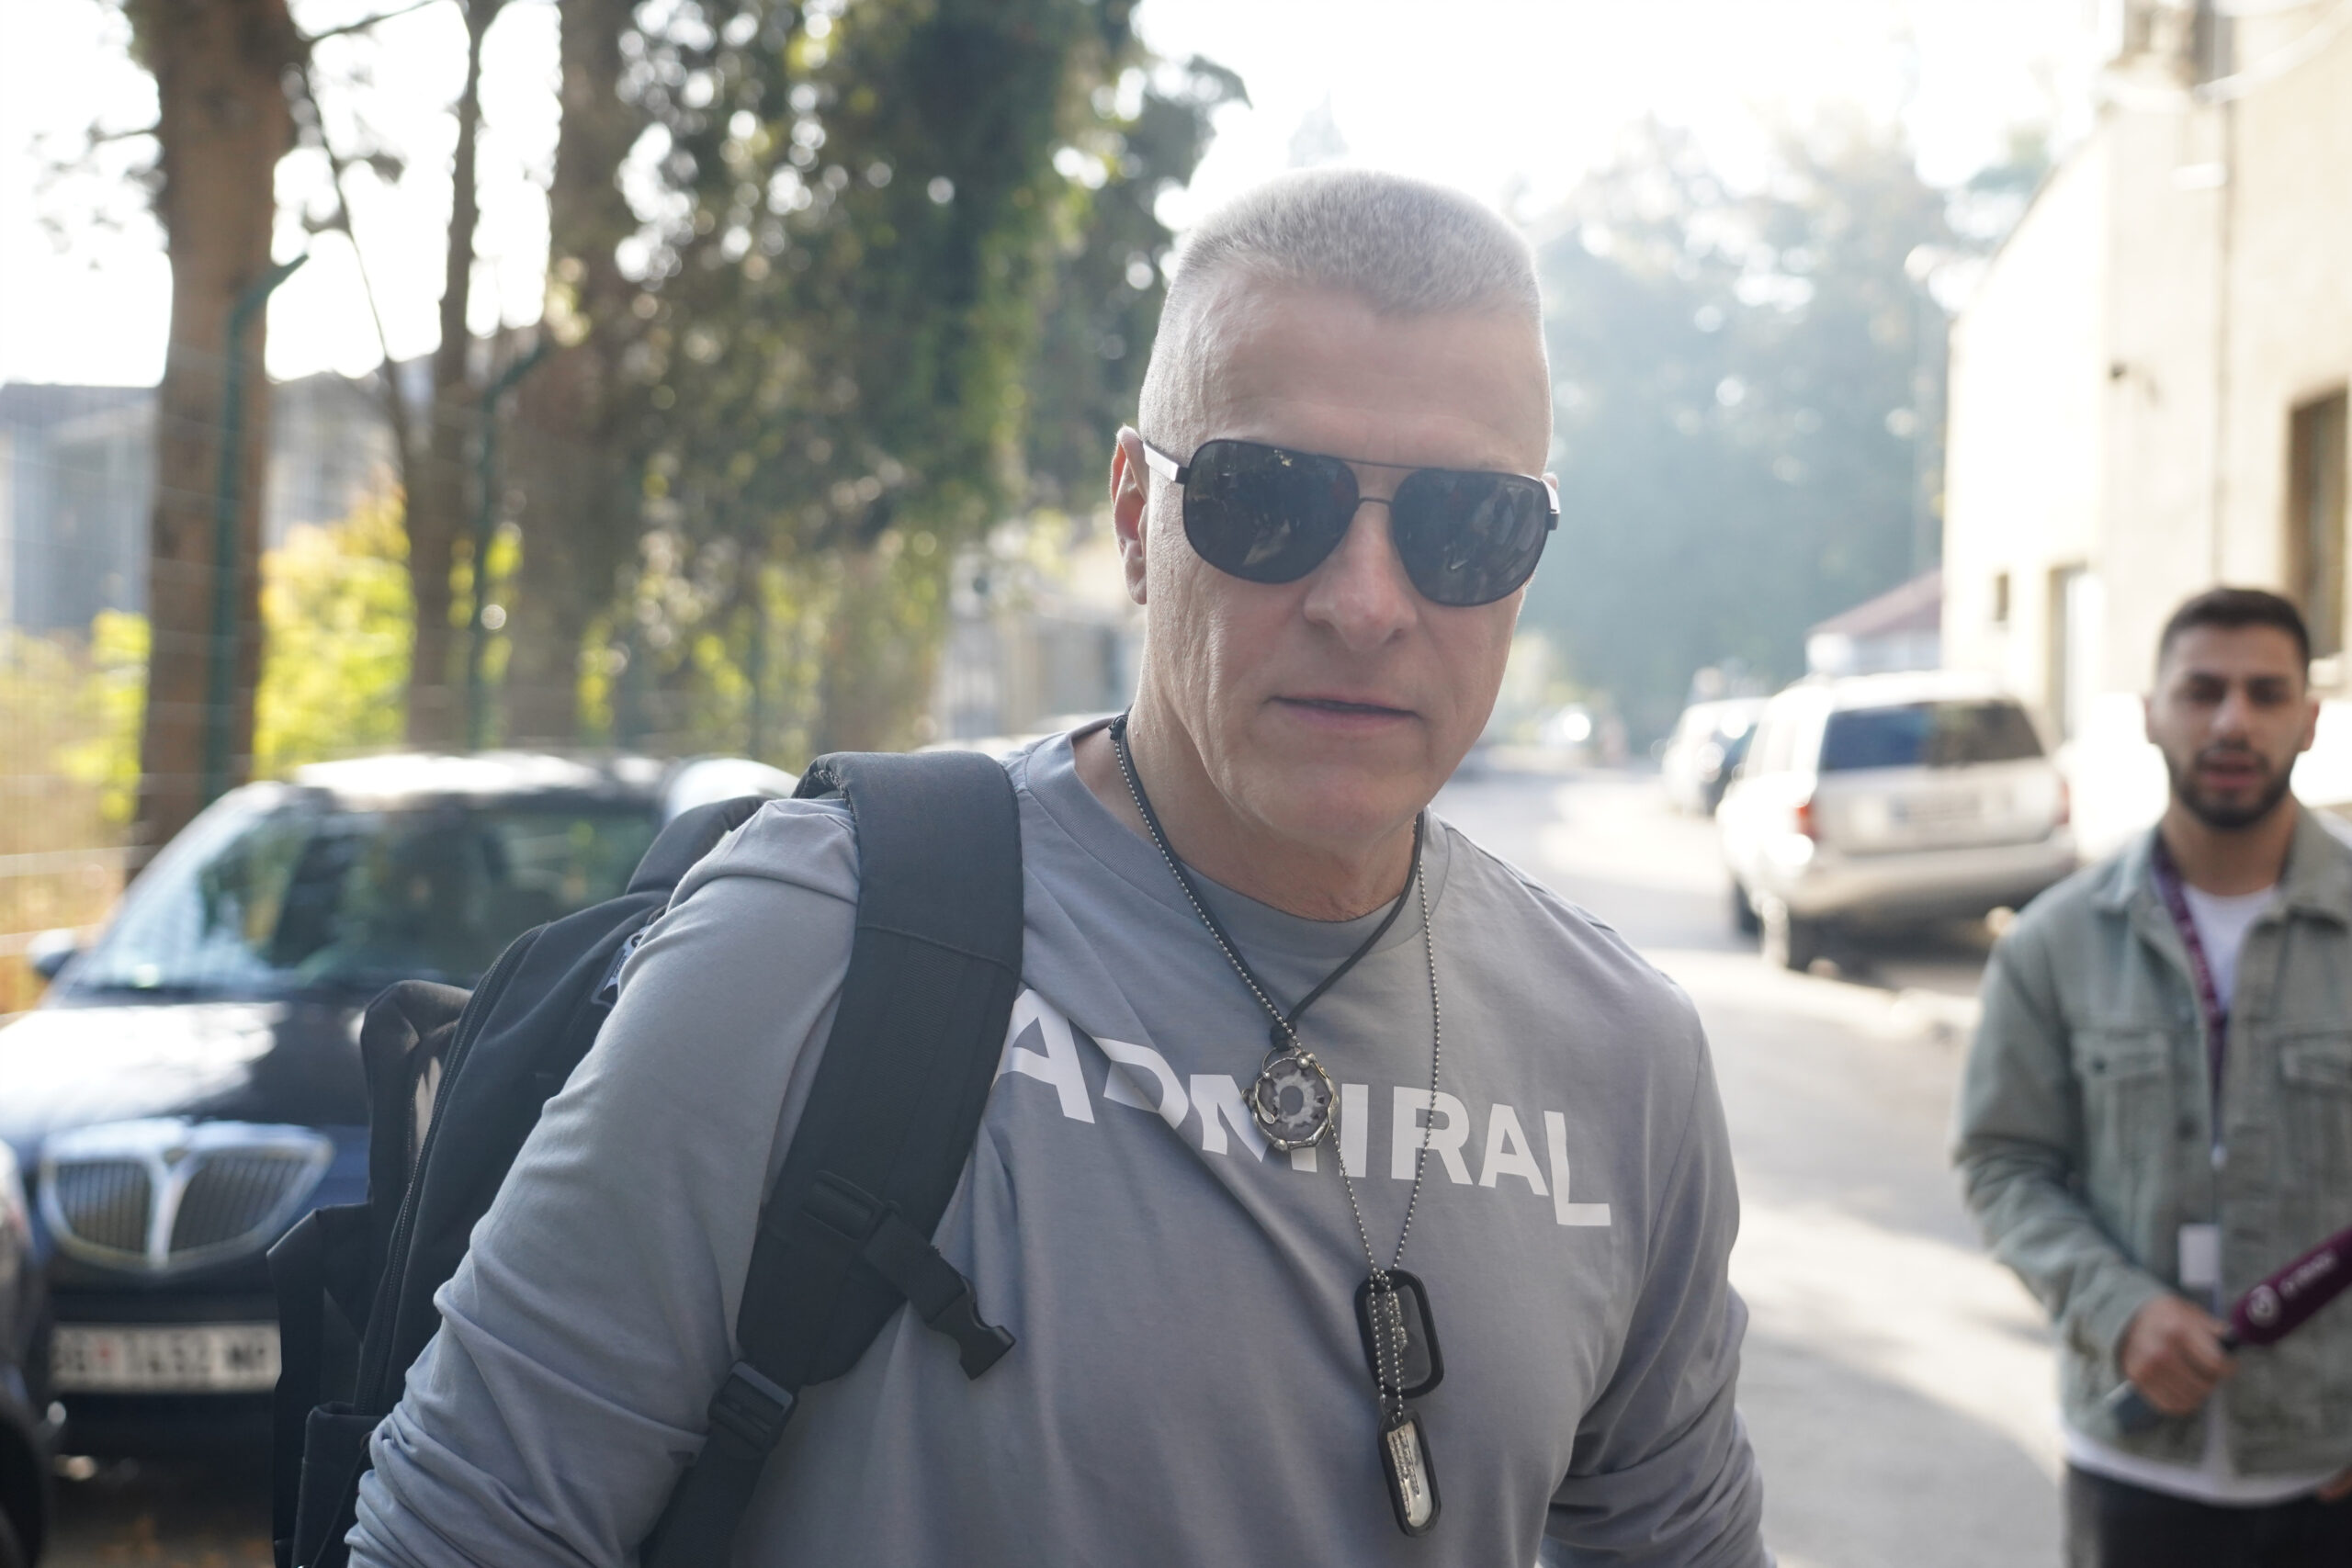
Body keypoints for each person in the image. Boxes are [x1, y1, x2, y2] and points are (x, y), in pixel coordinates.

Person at [349, 169, 1769, 1567]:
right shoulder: (816, 939)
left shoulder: (1622, 1057)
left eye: (1467, 524)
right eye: (1269, 499)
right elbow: (459, 1531)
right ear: (1137, 517)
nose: (1365, 602)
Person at [1954, 588, 2352, 1567]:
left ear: (2309, 719)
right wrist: (2118, 1309)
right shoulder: (2053, 942)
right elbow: (2003, 1163)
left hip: (2328, 1463)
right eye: (2202, 691)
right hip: (2130, 1464)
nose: (2232, 721)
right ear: (2149, 714)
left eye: (2265, 694)